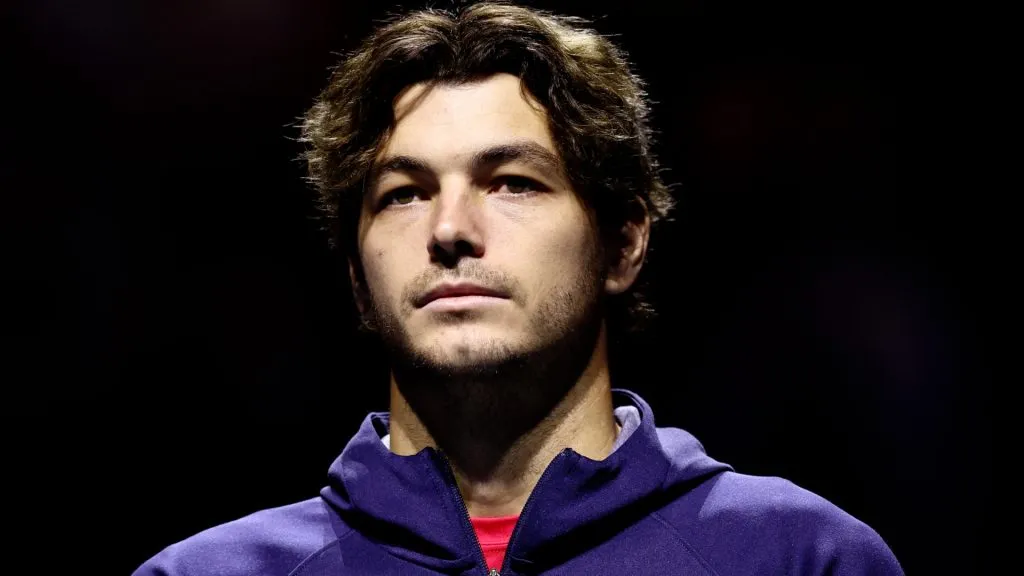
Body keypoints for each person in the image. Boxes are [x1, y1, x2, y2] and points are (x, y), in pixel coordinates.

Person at [134, 3, 903, 574]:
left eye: (512, 182)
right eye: (403, 193)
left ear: (623, 241)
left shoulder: (801, 557)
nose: (450, 228)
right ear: (357, 281)